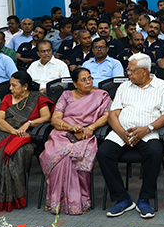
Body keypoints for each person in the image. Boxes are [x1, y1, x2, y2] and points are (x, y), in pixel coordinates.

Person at [98, 53, 164, 219]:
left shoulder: (162, 87)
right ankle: (122, 198)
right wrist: (121, 132)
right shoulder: (124, 87)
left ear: (144, 71)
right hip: (122, 132)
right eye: (128, 70)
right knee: (104, 153)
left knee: (154, 152)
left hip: (148, 132)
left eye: (132, 70)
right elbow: (113, 114)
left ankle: (144, 199)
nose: (128, 74)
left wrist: (147, 129)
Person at [38, 67, 112, 215]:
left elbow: (107, 115)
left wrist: (91, 127)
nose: (88, 82)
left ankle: (79, 201)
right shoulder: (66, 95)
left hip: (85, 134)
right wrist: (70, 127)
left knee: (76, 156)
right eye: (83, 80)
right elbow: (55, 119)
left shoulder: (101, 95)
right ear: (74, 83)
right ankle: (55, 200)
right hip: (63, 132)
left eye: (90, 78)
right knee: (53, 154)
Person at [0, 71, 53, 213]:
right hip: (4, 132)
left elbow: (46, 117)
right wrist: (13, 131)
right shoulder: (7, 98)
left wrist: (29, 123)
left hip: (26, 136)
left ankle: (14, 198)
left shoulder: (37, 98)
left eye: (14, 85)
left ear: (25, 86)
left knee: (15, 154)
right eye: (10, 85)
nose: (10, 88)